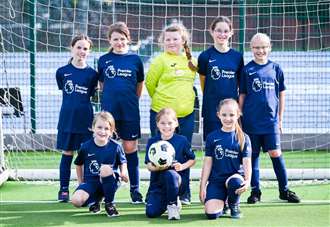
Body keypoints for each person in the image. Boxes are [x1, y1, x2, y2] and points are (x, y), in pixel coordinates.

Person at [239, 33, 300, 204]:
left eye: (264, 47)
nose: (260, 50)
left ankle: (284, 190)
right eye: (257, 47)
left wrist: (280, 119)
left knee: (275, 152)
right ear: (251, 49)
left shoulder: (276, 68)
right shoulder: (247, 70)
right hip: (250, 122)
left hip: (270, 122)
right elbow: (242, 95)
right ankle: (255, 191)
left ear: (269, 48)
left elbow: (281, 94)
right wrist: (240, 117)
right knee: (253, 156)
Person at [145, 22, 197, 204]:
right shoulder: (159, 60)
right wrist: (163, 107)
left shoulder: (192, 61)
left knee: (184, 155)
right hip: (163, 117)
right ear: (162, 42)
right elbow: (150, 84)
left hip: (187, 115)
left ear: (183, 41)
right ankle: (154, 192)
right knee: (157, 154)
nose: (171, 42)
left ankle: (184, 193)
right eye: (168, 39)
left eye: (175, 39)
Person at [98, 22, 144, 204]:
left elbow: (139, 85)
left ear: (128, 39)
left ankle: (135, 190)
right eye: (115, 39)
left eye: (122, 39)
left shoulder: (135, 60)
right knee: (109, 150)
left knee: (130, 149)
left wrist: (129, 101)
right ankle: (108, 191)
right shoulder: (103, 60)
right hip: (109, 114)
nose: (119, 42)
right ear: (110, 40)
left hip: (130, 111)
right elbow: (102, 85)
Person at [56, 34, 99, 202]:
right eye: (79, 47)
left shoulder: (92, 74)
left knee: (86, 154)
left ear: (89, 51)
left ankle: (85, 187)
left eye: (85, 48)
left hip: (86, 120)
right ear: (72, 48)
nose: (82, 51)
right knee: (67, 152)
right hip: (67, 118)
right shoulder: (62, 72)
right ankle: (64, 189)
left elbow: (92, 95)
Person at [199, 99, 252, 219]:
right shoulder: (212, 137)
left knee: (236, 182)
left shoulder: (244, 138)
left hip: (233, 179)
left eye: (232, 115)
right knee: (212, 214)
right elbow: (207, 163)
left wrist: (248, 180)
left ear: (238, 114)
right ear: (218, 115)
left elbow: (247, 162)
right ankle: (223, 201)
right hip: (216, 181)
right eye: (224, 115)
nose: (228, 118)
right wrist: (202, 186)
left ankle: (233, 203)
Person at [71, 111, 128, 217]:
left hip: (110, 181)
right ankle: (95, 201)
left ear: (111, 131)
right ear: (93, 128)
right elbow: (78, 164)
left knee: (105, 169)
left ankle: (109, 203)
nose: (103, 131)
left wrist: (124, 172)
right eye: (99, 127)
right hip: (91, 182)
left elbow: (122, 161)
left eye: (106, 129)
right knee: (76, 201)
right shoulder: (86, 147)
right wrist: (80, 182)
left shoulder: (116, 146)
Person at [198, 16, 244, 141]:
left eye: (225, 31)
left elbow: (240, 85)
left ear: (231, 32)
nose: (222, 34)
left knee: (232, 146)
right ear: (212, 32)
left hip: (231, 112)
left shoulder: (237, 57)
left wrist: (238, 107)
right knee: (212, 147)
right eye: (218, 30)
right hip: (211, 109)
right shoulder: (204, 56)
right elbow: (203, 82)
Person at [145, 108, 196, 220]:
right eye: (162, 123)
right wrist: (158, 167)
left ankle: (173, 204)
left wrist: (182, 166)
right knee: (151, 213)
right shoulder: (153, 142)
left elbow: (192, 160)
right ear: (157, 124)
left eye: (170, 123)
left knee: (170, 174)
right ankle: (167, 199)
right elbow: (149, 165)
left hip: (177, 182)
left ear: (176, 123)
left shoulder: (182, 140)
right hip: (158, 185)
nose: (166, 126)